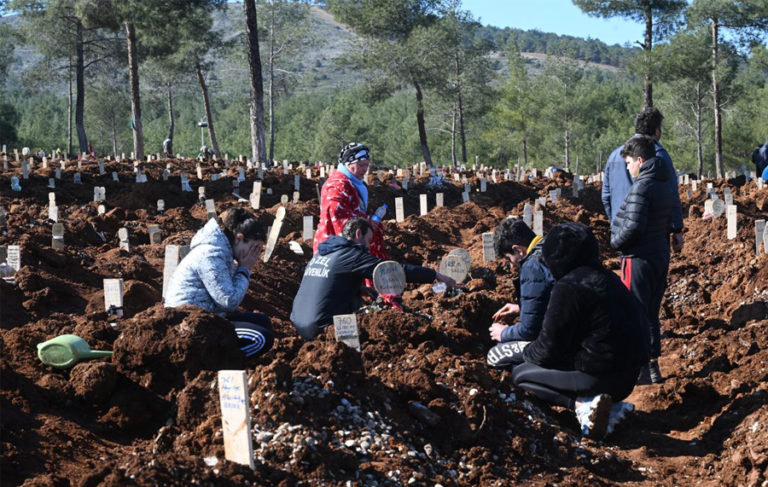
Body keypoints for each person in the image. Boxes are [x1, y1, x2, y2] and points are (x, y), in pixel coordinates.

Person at [511, 222, 650, 439]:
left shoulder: (569, 286)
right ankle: (611, 407)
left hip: (601, 376)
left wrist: (522, 351)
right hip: (630, 374)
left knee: (521, 375)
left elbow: (547, 349)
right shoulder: (607, 277)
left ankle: (583, 404)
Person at [291, 217, 456, 341]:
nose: (369, 246)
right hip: (322, 327)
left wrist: (357, 288)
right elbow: (393, 270)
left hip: (298, 322)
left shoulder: (323, 253)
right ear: (358, 233)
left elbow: (329, 281)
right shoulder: (351, 255)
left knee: (358, 300)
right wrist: (435, 275)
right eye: (368, 240)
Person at [611, 135, 683, 384]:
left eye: (629, 162)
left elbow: (633, 226)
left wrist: (614, 243)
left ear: (640, 160)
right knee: (651, 313)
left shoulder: (642, 185)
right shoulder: (664, 182)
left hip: (638, 258)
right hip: (659, 254)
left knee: (635, 312)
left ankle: (640, 369)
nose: (628, 167)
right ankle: (652, 366)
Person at [165, 208, 274, 359]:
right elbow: (229, 301)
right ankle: (222, 364)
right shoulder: (211, 255)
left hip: (208, 316)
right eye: (252, 248)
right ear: (239, 238)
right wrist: (244, 268)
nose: (254, 255)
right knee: (261, 338)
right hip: (189, 324)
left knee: (263, 321)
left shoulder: (223, 251)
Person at [602, 107, 684, 253]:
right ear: (657, 131)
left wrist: (616, 224)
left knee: (628, 273)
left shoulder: (614, 156)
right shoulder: (659, 155)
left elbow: (606, 196)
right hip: (652, 236)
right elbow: (671, 193)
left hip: (622, 234)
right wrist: (676, 228)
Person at [486, 219, 554, 369]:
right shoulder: (551, 249)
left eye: (510, 259)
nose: (512, 266)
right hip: (588, 335)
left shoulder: (532, 266)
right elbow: (555, 299)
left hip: (568, 346)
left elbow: (529, 331)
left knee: (495, 355)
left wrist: (503, 333)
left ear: (518, 250)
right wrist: (521, 308)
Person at [314, 142, 387, 259]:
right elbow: (339, 217)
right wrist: (368, 224)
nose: (364, 169)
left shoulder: (352, 183)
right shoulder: (337, 185)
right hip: (334, 249)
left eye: (367, 165)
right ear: (348, 163)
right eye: (361, 165)